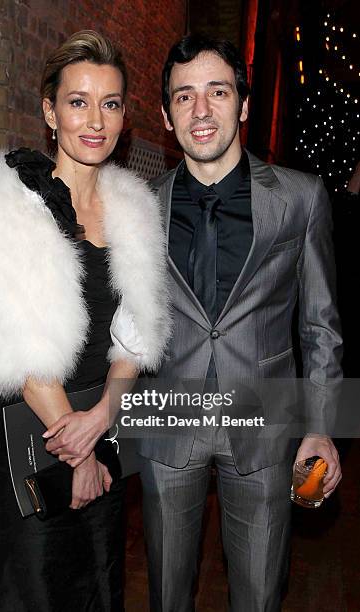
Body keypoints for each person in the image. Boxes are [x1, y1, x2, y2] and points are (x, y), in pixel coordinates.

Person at [0, 30, 170, 611]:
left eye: (110, 103)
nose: (94, 119)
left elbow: (134, 337)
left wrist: (104, 418)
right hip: (39, 430)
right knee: (40, 587)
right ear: (50, 111)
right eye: (77, 101)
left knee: (100, 583)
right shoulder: (8, 204)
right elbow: (16, 352)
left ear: (123, 118)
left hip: (102, 424)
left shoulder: (134, 210)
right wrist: (81, 451)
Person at [138, 34, 343, 611]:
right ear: (165, 113)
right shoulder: (138, 205)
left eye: (217, 92)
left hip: (265, 419)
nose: (201, 111)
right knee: (166, 594)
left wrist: (323, 427)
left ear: (243, 104)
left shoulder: (301, 197)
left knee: (258, 594)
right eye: (184, 97)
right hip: (165, 416)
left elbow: (322, 324)